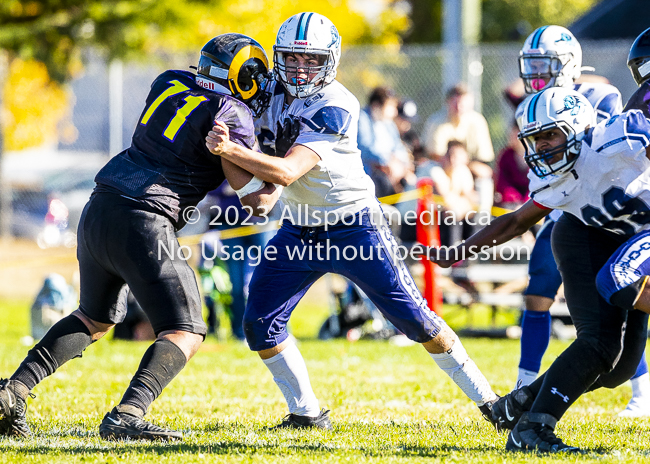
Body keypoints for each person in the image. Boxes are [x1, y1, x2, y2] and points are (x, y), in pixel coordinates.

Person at [206, 12, 500, 430]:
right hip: (299, 227)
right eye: (291, 59)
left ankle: (492, 403)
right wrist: (223, 135)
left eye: (311, 61)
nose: (299, 69)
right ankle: (306, 413)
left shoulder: (337, 101)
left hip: (355, 226)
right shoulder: (269, 94)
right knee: (259, 323)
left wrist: (230, 150)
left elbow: (288, 171)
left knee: (416, 321)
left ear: (331, 60)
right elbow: (258, 202)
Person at [0, 33, 274, 440]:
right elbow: (255, 201)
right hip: (146, 218)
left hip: (101, 204)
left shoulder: (170, 80)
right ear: (245, 77)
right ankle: (127, 414)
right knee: (186, 330)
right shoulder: (230, 111)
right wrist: (264, 157)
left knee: (93, 316)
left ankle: (13, 390)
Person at [422, 87, 650, 452]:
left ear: (575, 126)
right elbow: (514, 222)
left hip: (634, 241)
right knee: (600, 344)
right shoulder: (554, 176)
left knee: (621, 368)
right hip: (584, 239)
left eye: (549, 135)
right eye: (534, 139)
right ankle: (533, 429)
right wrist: (460, 250)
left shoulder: (621, 138)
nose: (541, 147)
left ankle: (521, 401)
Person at [509, 27, 647, 409]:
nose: (535, 73)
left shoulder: (608, 105)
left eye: (544, 64)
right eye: (530, 65)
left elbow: (625, 147)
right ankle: (525, 384)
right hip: (572, 214)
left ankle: (642, 388)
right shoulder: (530, 108)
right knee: (549, 295)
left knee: (621, 308)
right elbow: (535, 193)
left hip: (625, 216)